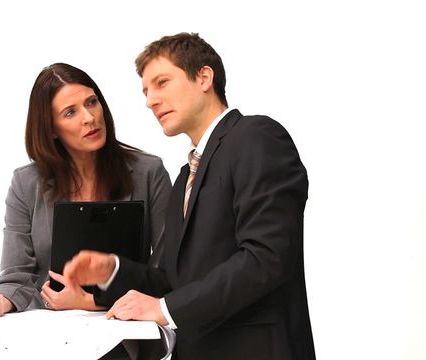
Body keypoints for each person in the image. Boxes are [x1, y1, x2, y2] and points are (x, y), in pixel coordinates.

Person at [63, 33, 316, 359]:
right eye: (146, 91)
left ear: (204, 77)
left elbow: (266, 258)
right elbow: (173, 279)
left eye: (162, 82)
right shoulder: (185, 176)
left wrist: (166, 309)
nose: (150, 100)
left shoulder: (257, 137)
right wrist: (112, 270)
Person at [0, 63, 172, 318]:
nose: (89, 117)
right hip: (53, 332)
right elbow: (17, 275)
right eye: (70, 113)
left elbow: (168, 271)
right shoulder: (25, 183)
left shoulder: (149, 172)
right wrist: (0, 301)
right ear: (51, 129)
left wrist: (91, 301)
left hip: (128, 327)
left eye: (91, 102)